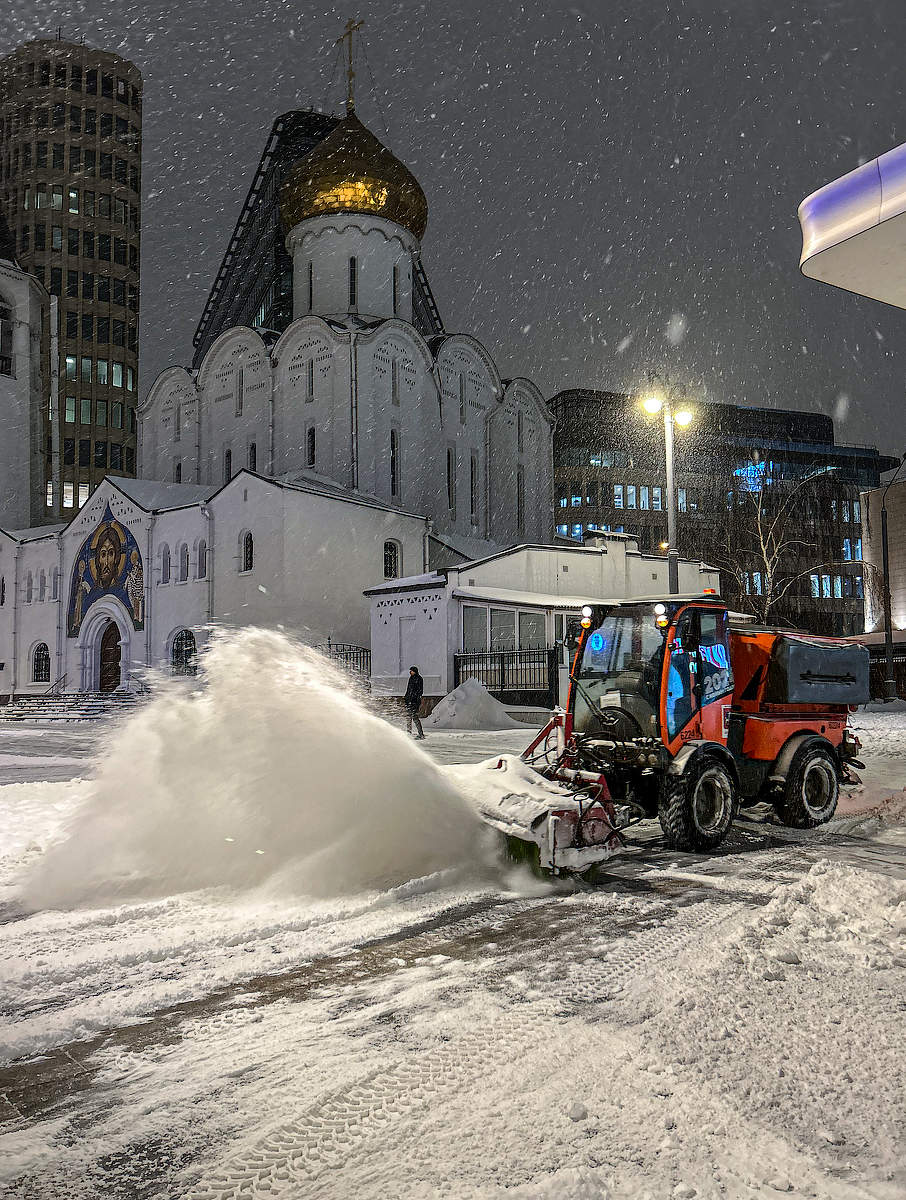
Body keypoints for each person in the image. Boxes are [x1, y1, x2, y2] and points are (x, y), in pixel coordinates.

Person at [404, 666, 425, 739]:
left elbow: (420, 691)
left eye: (411, 671)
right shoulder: (411, 678)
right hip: (409, 700)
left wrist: (415, 698)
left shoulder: (419, 679)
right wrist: (406, 698)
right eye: (410, 671)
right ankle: (409, 732)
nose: (410, 672)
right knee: (408, 717)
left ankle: (421, 734)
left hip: (415, 701)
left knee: (415, 717)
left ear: (415, 671)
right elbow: (408, 689)